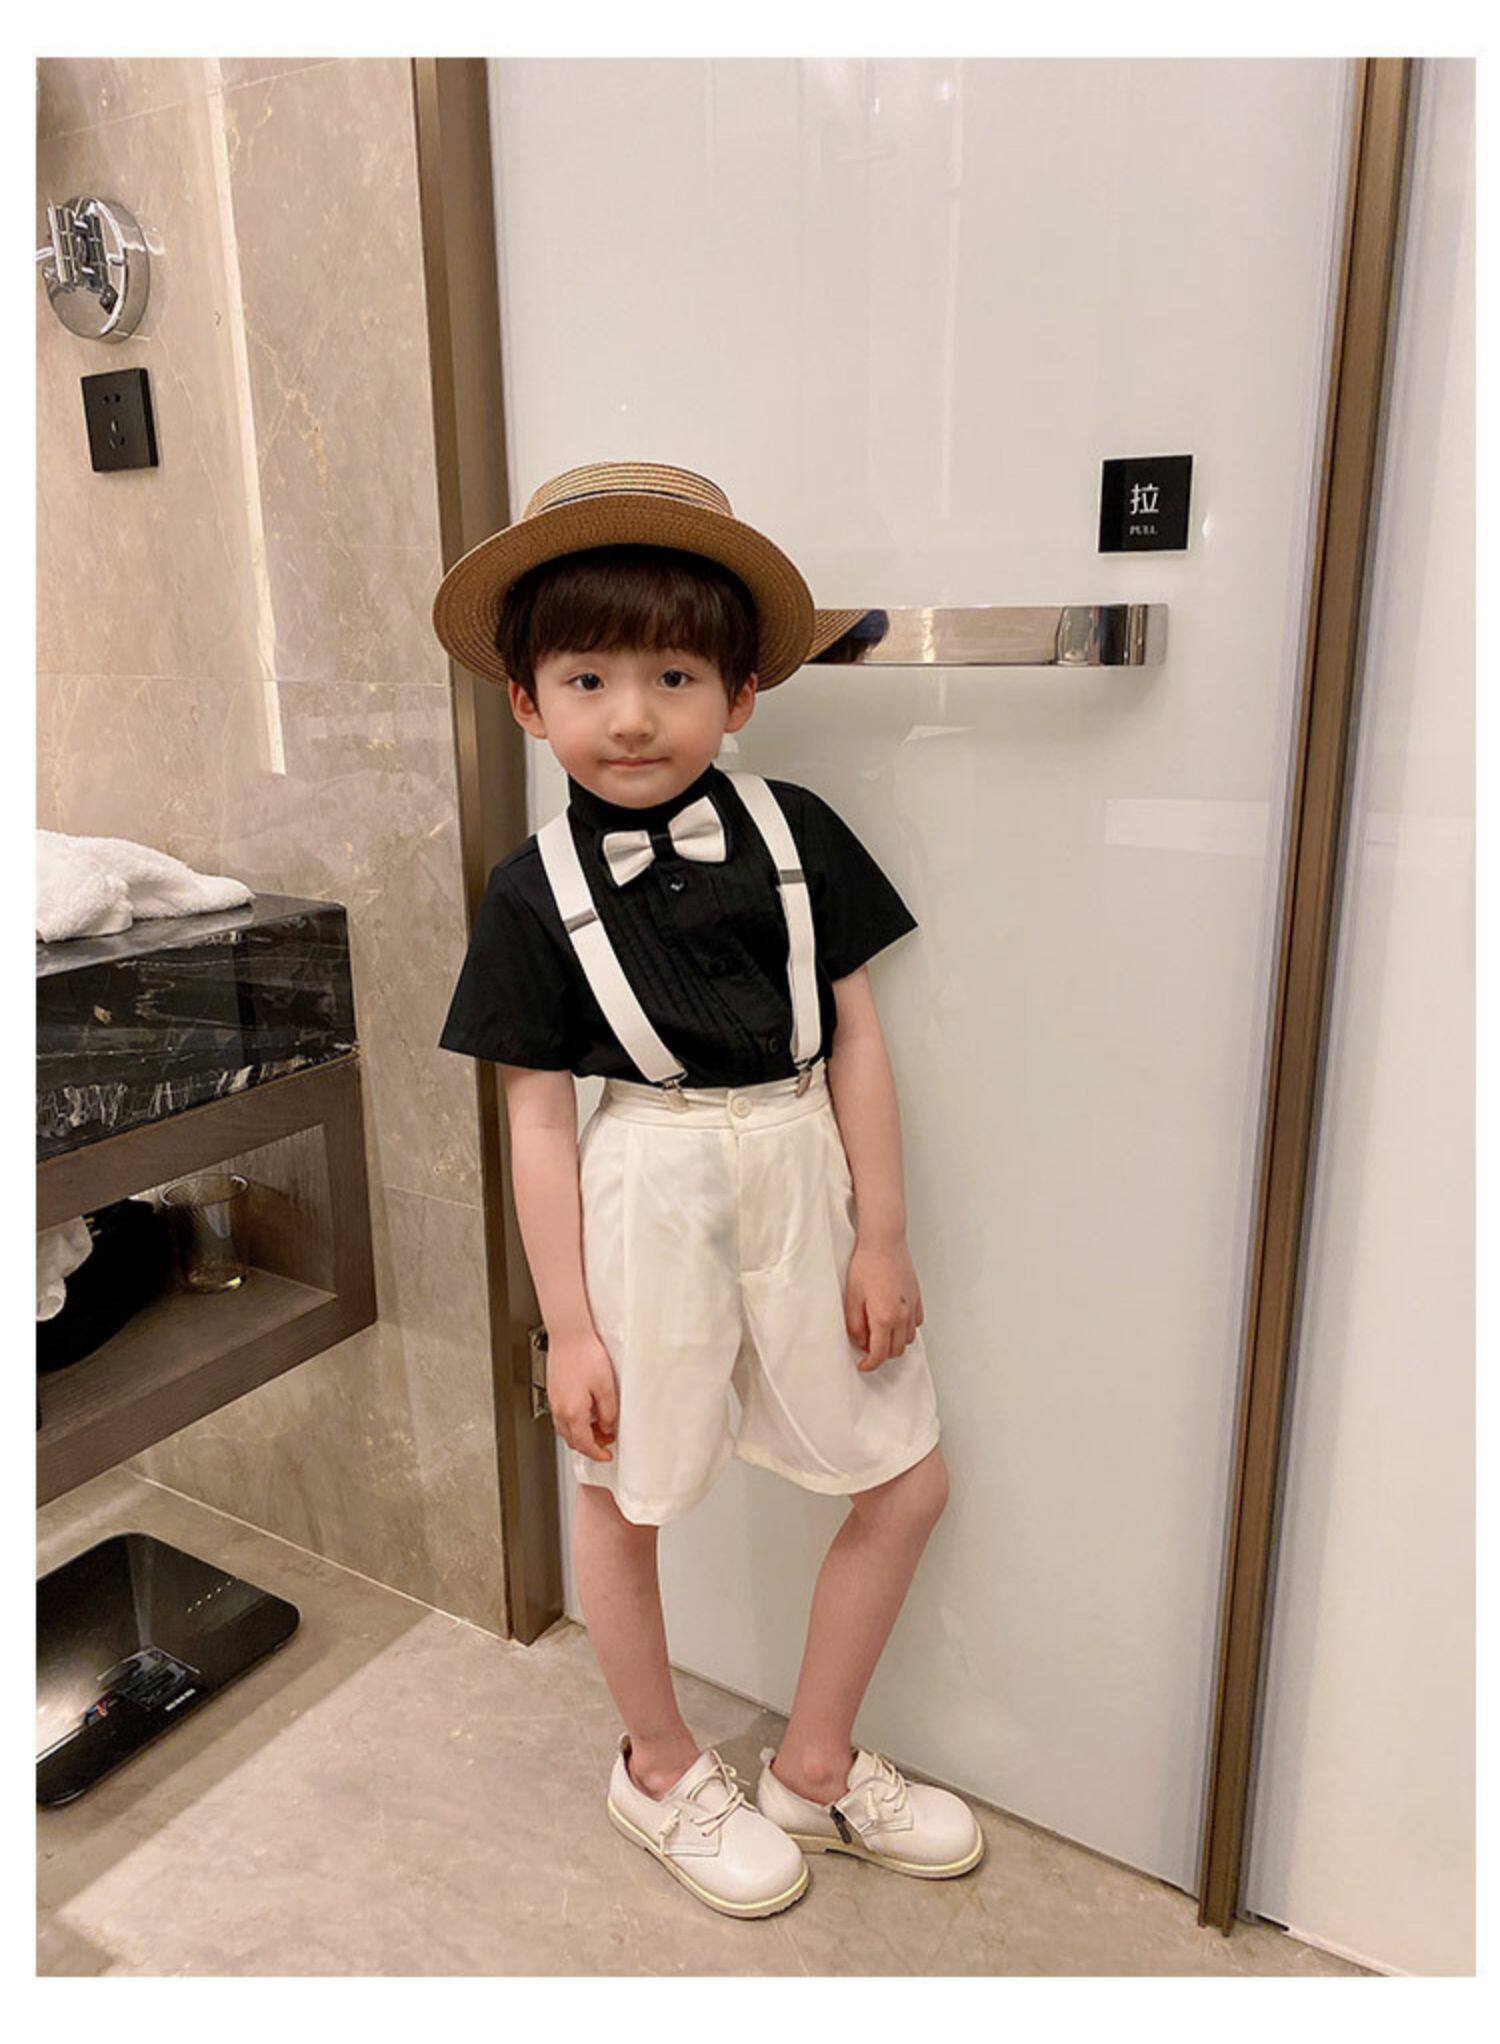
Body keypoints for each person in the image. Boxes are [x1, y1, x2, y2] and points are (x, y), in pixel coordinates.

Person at [434, 461, 983, 1919]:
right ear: (527, 702)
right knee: (625, 1490)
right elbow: (536, 1120)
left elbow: (857, 1038)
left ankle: (813, 1767)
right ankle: (661, 1767)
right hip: (646, 1183)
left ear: (740, 694)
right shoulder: (528, 891)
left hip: (802, 1163)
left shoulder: (798, 830)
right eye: (588, 678)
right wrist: (570, 1328)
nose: (631, 716)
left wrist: (881, 1235)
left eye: (674, 676)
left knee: (907, 1476)